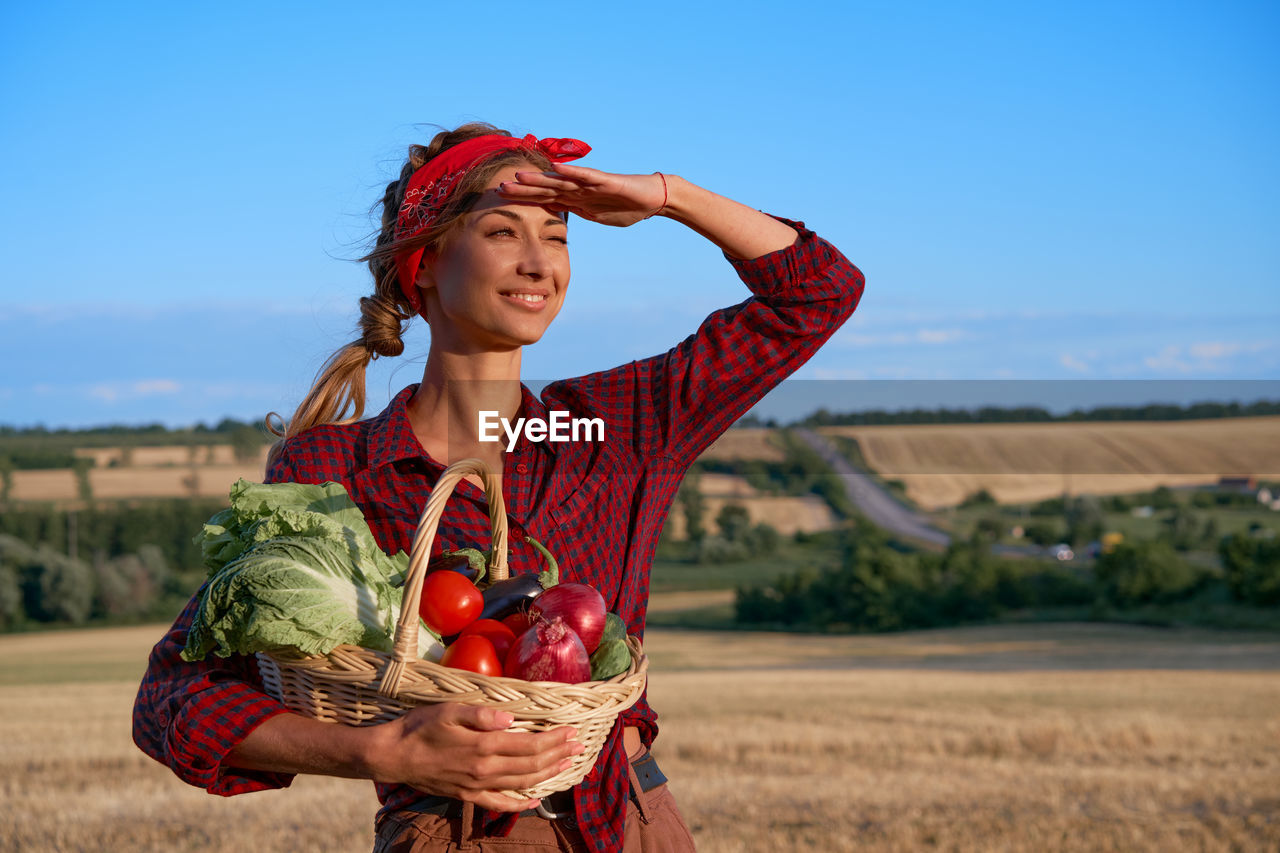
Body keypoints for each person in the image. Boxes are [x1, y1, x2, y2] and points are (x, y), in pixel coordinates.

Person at [133, 122, 865, 852]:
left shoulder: (617, 426)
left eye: (558, 236)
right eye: (503, 232)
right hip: (456, 833)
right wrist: (382, 752)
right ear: (423, 265)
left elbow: (819, 292)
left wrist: (666, 198)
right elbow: (174, 697)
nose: (539, 262)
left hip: (632, 821)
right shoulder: (331, 470)